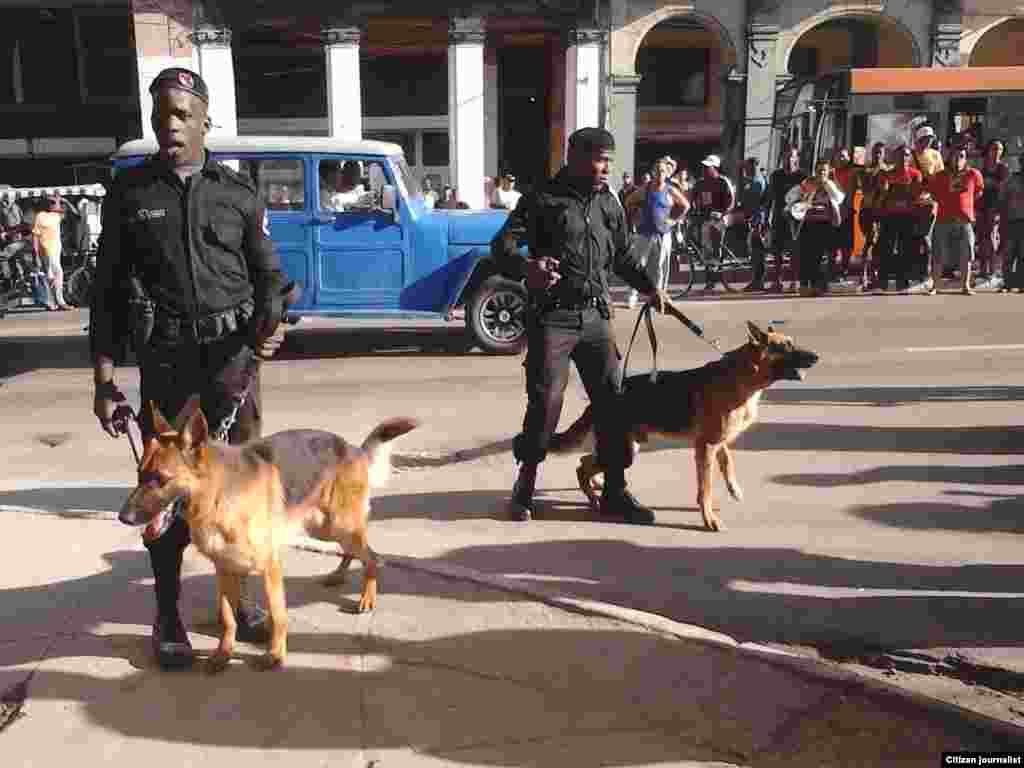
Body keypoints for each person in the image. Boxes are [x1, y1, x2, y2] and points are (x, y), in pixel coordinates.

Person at [89, 67, 291, 670]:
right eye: (160, 116)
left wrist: (272, 321)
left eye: (181, 114)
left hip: (233, 363)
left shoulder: (238, 194)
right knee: (169, 492)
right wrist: (104, 381)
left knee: (241, 491)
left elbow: (269, 277)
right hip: (168, 365)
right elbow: (106, 295)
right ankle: (169, 612)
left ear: (205, 119)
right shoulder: (130, 196)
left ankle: (243, 602)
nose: (169, 125)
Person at [491, 126, 670, 525]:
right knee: (546, 403)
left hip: (596, 319)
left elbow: (623, 255)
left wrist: (650, 289)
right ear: (574, 156)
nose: (607, 167)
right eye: (599, 159)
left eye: (609, 159)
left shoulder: (608, 203)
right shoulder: (541, 198)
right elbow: (501, 248)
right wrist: (527, 269)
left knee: (614, 401)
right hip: (553, 318)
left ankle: (615, 490)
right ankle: (525, 484)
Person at [623, 157, 689, 306]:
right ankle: (632, 296)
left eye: (663, 171)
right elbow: (628, 202)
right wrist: (635, 217)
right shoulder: (645, 188)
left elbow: (685, 205)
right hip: (644, 234)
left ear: (667, 174)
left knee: (660, 267)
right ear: (653, 172)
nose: (660, 174)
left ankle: (659, 296)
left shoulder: (670, 189)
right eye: (658, 171)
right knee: (638, 265)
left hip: (663, 234)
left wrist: (673, 220)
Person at [927, 143, 984, 295]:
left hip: (964, 220)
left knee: (967, 253)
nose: (958, 159)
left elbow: (978, 193)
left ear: (966, 159)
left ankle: (965, 286)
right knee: (938, 254)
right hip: (943, 219)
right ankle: (935, 287)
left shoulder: (973, 174)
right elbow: (934, 194)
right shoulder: (941, 175)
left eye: (962, 156)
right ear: (949, 157)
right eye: (955, 156)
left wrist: (965, 206)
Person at [875, 145, 928, 292]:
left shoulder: (915, 174)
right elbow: (882, 193)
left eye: (906, 155)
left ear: (909, 157)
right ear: (894, 157)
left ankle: (902, 281)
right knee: (886, 248)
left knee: (906, 249)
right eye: (899, 155)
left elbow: (917, 195)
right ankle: (883, 281)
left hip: (908, 216)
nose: (903, 158)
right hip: (889, 216)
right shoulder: (886, 174)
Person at [794, 160, 843, 296]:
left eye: (824, 170)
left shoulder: (830, 184)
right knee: (806, 255)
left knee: (820, 256)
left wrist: (826, 185)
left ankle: (817, 285)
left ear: (828, 172)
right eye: (819, 170)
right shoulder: (807, 183)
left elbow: (839, 198)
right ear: (815, 171)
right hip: (808, 223)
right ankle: (804, 285)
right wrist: (806, 195)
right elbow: (792, 197)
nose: (821, 173)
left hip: (825, 224)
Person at [690, 154, 736, 293]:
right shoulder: (700, 183)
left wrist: (722, 214)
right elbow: (692, 199)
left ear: (715, 168)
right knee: (706, 248)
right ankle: (710, 278)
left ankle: (713, 279)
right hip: (705, 219)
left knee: (714, 247)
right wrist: (692, 210)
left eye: (707, 167)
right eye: (703, 167)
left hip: (721, 218)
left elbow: (731, 202)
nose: (704, 169)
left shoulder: (723, 181)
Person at [764, 146, 805, 292]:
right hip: (778, 218)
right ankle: (777, 282)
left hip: (795, 220)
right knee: (777, 252)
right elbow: (770, 198)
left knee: (795, 252)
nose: (789, 160)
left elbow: (806, 199)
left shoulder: (802, 176)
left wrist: (797, 212)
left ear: (797, 158)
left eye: (792, 157)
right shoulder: (775, 175)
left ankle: (794, 282)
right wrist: (765, 219)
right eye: (786, 157)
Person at [976, 139, 1010, 288]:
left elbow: (1004, 188)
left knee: (991, 238)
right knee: (982, 237)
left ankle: (993, 270)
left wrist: (991, 184)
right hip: (981, 206)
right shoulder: (982, 167)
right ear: (988, 150)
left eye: (999, 149)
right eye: (994, 149)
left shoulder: (1003, 168)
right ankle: (983, 270)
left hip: (995, 208)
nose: (996, 152)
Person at [859, 141, 892, 288]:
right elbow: (867, 191)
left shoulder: (888, 169)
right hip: (868, 211)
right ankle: (864, 275)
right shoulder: (866, 170)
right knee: (870, 241)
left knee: (880, 245)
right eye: (875, 152)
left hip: (883, 212)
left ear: (884, 154)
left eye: (880, 152)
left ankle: (875, 275)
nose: (877, 155)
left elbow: (888, 190)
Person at [32, 195, 70, 310]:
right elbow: (35, 235)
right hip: (46, 249)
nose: (53, 204)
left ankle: (53, 302)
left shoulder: (56, 215)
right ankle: (59, 301)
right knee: (57, 273)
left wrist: (63, 201)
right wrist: (36, 253)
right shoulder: (40, 216)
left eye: (54, 203)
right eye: (51, 202)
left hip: (56, 248)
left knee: (52, 275)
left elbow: (73, 213)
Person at [738, 158, 769, 291]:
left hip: (758, 220)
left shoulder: (757, 181)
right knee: (757, 252)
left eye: (747, 167)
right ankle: (757, 280)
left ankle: (758, 281)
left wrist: (751, 218)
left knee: (758, 252)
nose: (745, 170)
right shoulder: (753, 180)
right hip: (755, 219)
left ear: (754, 167)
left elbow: (755, 203)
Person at [1000, 156, 1024, 292]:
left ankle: (1021, 284)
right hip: (1011, 221)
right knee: (1008, 255)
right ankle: (1007, 284)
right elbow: (1002, 200)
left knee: (1023, 256)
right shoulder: (1011, 180)